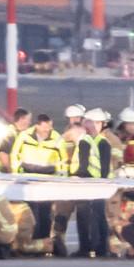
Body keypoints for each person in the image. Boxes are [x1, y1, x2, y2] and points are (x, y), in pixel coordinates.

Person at [10, 110, 69, 249]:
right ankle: (31, 240)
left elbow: (63, 160)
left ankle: (43, 241)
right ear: (37, 125)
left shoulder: (57, 138)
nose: (47, 130)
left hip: (47, 181)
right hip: (28, 179)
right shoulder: (25, 136)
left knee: (45, 212)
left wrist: (62, 179)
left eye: (49, 127)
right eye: (45, 127)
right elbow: (15, 155)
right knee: (31, 212)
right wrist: (16, 173)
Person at [69, 108, 112, 258]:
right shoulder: (93, 141)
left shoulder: (98, 142)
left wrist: (76, 175)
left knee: (95, 215)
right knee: (87, 215)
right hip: (92, 184)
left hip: (92, 184)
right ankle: (94, 248)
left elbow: (100, 167)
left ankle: (98, 248)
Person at [50, 104, 88, 254]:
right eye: (72, 118)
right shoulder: (64, 136)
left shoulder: (84, 136)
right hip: (66, 182)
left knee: (83, 216)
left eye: (77, 117)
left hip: (82, 181)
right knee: (61, 216)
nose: (75, 120)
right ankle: (58, 244)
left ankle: (84, 247)